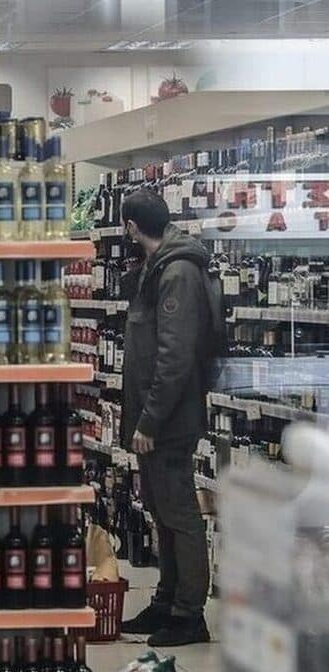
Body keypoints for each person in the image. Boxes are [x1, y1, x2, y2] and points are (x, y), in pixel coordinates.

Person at [117, 190, 214, 647]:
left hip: (169, 422)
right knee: (160, 510)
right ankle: (167, 601)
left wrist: (150, 421)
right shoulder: (158, 267)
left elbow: (174, 359)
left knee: (179, 514)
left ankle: (189, 614)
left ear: (131, 228)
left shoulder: (177, 272)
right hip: (155, 418)